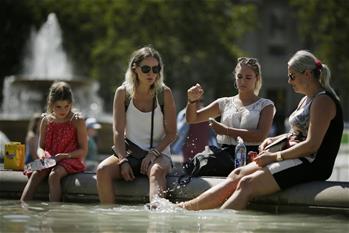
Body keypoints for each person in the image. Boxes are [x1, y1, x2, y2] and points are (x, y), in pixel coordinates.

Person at [177, 50, 343, 210]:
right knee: (237, 174)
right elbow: (299, 133)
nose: (289, 81)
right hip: (297, 156)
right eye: (240, 77)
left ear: (307, 74)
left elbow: (312, 145)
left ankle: (220, 225)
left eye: (292, 76)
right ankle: (186, 209)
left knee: (246, 184)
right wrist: (276, 139)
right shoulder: (307, 99)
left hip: (311, 163)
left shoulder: (323, 101)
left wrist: (275, 156)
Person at [96, 46, 177, 204]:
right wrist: (123, 160)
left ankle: (157, 221)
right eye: (146, 68)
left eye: (156, 69)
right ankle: (109, 221)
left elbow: (172, 133)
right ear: (135, 68)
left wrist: (153, 153)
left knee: (156, 172)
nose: (151, 74)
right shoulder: (122, 93)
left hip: (159, 154)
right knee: (102, 170)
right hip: (131, 152)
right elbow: (118, 132)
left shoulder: (164, 93)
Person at [184, 57, 275, 166]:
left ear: (257, 78)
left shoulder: (266, 105)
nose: (243, 81)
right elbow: (192, 119)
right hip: (225, 157)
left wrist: (225, 130)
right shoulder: (224, 102)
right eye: (239, 77)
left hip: (253, 157)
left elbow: (260, 135)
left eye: (248, 77)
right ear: (235, 78)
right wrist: (192, 100)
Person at [20, 81, 88, 202]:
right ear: (51, 104)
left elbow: (83, 150)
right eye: (58, 107)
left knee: (54, 176)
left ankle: (54, 213)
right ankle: (23, 208)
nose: (63, 110)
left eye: (67, 106)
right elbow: (40, 147)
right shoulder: (46, 120)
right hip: (50, 158)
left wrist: (65, 156)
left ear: (71, 104)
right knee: (36, 175)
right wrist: (41, 155)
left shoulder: (77, 120)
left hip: (70, 158)